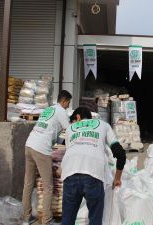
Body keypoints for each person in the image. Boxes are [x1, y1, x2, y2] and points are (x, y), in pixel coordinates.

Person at [61, 107, 126, 225]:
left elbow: (71, 152)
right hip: (93, 174)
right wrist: (117, 178)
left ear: (78, 117)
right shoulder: (103, 125)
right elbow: (121, 154)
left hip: (70, 173)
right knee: (95, 220)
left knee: (67, 220)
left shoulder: (70, 129)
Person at [22, 90, 72, 225]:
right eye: (68, 103)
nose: (68, 106)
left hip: (29, 144)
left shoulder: (49, 109)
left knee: (28, 183)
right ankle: (46, 220)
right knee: (48, 186)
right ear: (64, 101)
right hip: (41, 149)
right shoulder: (61, 111)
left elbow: (52, 131)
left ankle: (26, 218)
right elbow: (70, 131)